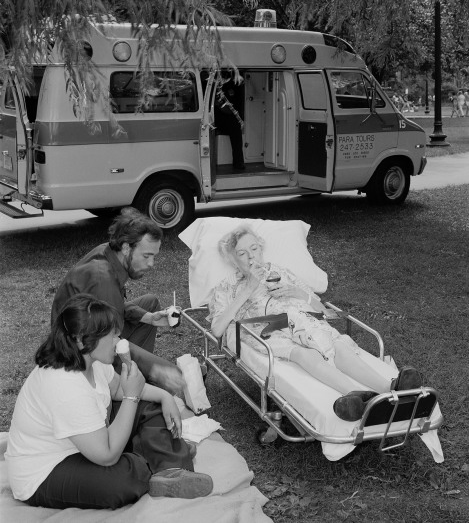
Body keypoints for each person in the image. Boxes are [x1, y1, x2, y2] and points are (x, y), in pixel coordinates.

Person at [6, 294, 213, 509]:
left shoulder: (91, 359)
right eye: (112, 336)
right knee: (124, 477)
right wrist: (131, 396)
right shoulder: (63, 384)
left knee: (151, 406)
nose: (119, 341)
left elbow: (115, 387)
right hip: (47, 469)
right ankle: (155, 460)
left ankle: (171, 468)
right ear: (81, 338)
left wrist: (165, 396)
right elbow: (106, 456)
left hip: (91, 441)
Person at [208, 226, 422, 422]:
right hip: (269, 330)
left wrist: (301, 294)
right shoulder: (227, 287)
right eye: (242, 254)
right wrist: (248, 289)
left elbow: (325, 312)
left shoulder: (281, 273)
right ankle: (358, 397)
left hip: (306, 320)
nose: (251, 257)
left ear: (261, 248)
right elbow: (217, 329)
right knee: (305, 354)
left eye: (254, 248)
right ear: (234, 261)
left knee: (338, 347)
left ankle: (391, 386)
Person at [51, 207, 184, 395]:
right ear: (126, 247)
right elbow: (112, 342)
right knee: (166, 371)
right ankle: (129, 384)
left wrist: (148, 317)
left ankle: (136, 376)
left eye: (154, 256)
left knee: (149, 303)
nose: (151, 264)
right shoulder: (102, 278)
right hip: (78, 352)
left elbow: (112, 304)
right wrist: (159, 370)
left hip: (90, 333)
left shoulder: (107, 252)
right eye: (146, 256)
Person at [214, 79, 246, 170]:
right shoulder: (219, 89)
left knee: (236, 132)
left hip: (228, 119)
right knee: (236, 133)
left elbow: (229, 108)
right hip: (220, 120)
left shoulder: (231, 88)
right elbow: (225, 109)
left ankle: (238, 162)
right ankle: (238, 163)